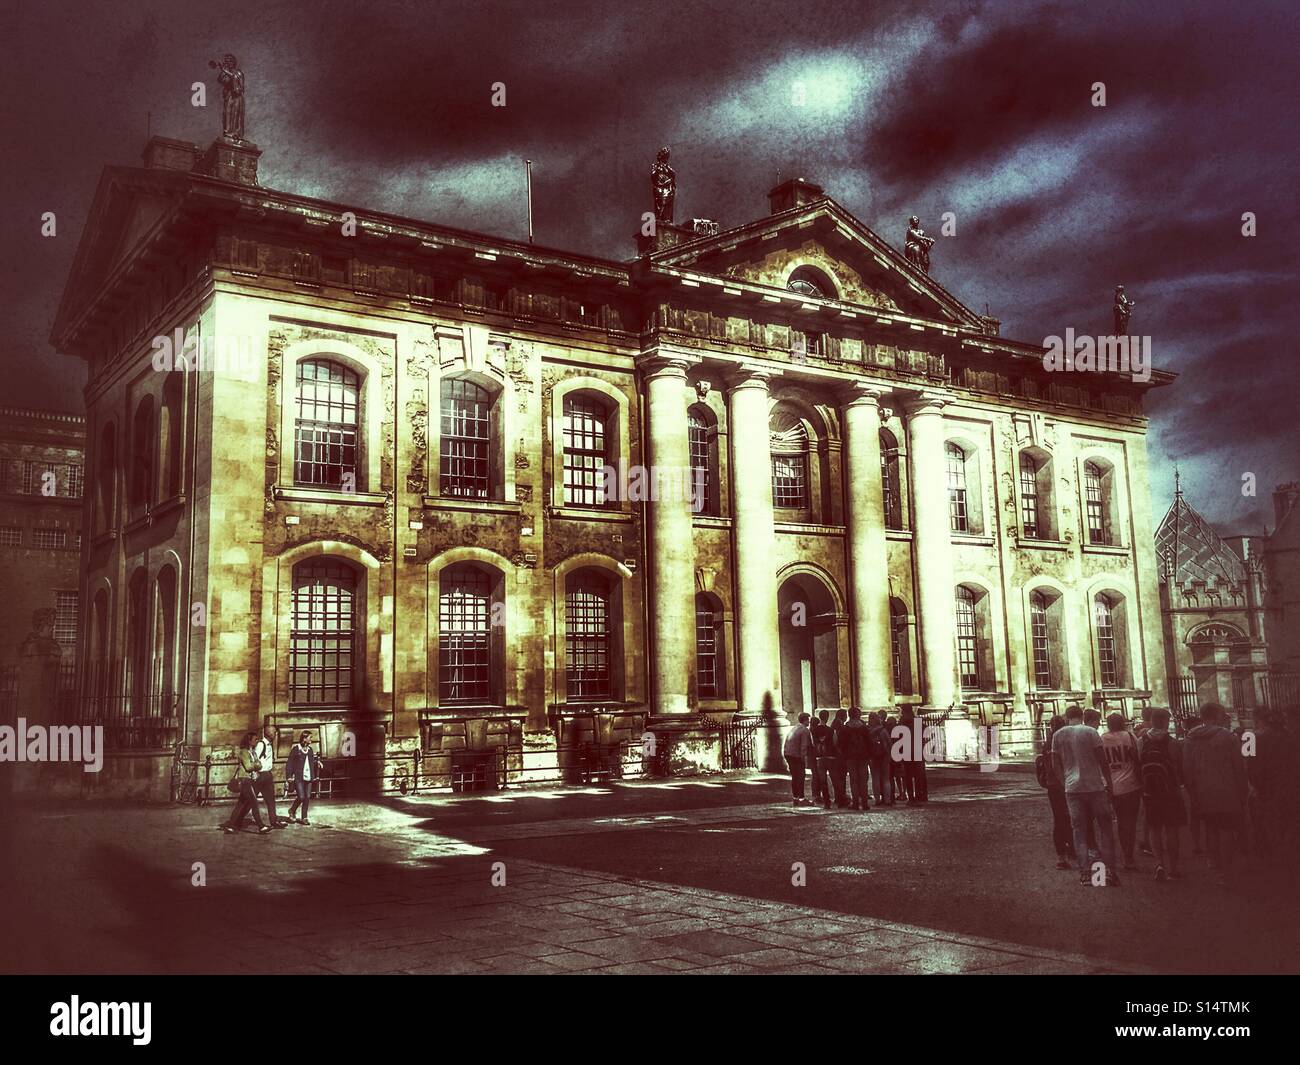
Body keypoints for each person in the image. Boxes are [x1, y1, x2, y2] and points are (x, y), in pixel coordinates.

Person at [1053, 705, 1121, 887]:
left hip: (1072, 788)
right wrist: (1110, 785)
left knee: (1079, 831)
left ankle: (1085, 874)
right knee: (1105, 829)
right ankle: (1109, 873)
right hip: (1095, 787)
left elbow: (1055, 764)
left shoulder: (1058, 735)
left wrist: (1064, 782)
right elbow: (1102, 761)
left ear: (1067, 717)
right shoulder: (1091, 732)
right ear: (1082, 716)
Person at [1183, 703, 1248, 885]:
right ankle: (1226, 871)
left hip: (1203, 791)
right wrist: (1243, 792)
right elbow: (1238, 767)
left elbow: (1187, 770)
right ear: (1217, 715)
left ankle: (1216, 864)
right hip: (1227, 790)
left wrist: (1192, 792)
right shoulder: (1228, 737)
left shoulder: (1191, 738)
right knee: (1226, 830)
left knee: (1211, 829)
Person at [1139, 707, 1186, 881]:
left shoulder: (1141, 741)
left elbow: (1139, 764)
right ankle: (1173, 868)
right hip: (1170, 792)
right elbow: (1177, 766)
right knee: (1171, 830)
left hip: (1150, 791)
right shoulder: (1172, 742)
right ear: (1166, 722)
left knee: (1154, 829)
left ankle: (1159, 863)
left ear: (1151, 721)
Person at [1101, 713, 1143, 869]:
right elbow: (1137, 759)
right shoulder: (1129, 737)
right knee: (1131, 822)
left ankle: (1123, 855)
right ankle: (1128, 856)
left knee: (1120, 821)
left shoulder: (1102, 739)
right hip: (1131, 784)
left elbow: (1101, 763)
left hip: (1113, 786)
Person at [1042, 715, 1076, 869]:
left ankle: (1061, 855)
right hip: (1066, 783)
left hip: (1052, 786)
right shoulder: (1065, 741)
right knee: (1071, 817)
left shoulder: (1047, 742)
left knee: (1059, 819)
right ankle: (1071, 849)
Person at [222, 732, 270, 834]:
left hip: (250, 779)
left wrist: (257, 764)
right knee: (254, 803)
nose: (257, 741)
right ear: (249, 741)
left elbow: (259, 765)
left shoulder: (253, 752)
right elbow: (248, 767)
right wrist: (256, 765)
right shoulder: (244, 752)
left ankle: (231, 826)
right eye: (255, 739)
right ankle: (261, 826)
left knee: (240, 804)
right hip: (245, 780)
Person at [252, 723, 286, 828]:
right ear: (269, 733)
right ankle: (237, 821)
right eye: (275, 732)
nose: (276, 734)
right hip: (260, 775)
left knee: (271, 800)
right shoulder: (261, 744)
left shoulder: (269, 745)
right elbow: (254, 759)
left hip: (267, 775)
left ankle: (274, 821)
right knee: (250, 800)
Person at [286, 730, 323, 825]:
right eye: (310, 737)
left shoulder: (310, 750)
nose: (311, 739)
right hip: (299, 777)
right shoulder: (296, 749)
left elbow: (311, 761)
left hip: (309, 777)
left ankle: (304, 817)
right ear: (304, 738)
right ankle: (292, 810)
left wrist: (317, 763)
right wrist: (289, 776)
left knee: (307, 797)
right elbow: (289, 763)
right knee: (301, 797)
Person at [839, 708, 872, 811]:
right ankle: (865, 803)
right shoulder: (864, 728)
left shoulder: (845, 728)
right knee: (863, 780)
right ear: (859, 715)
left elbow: (841, 743)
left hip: (850, 757)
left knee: (853, 780)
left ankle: (856, 803)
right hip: (863, 757)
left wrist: (844, 754)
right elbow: (869, 742)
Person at [783, 713, 816, 806]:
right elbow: (804, 746)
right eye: (808, 720)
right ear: (805, 720)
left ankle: (795, 798)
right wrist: (804, 758)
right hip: (797, 755)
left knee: (795, 777)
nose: (809, 722)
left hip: (788, 754)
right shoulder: (805, 730)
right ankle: (801, 798)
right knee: (801, 776)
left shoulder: (794, 728)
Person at [1135, 707, 1155, 856]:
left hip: (1143, 774)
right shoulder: (1149, 733)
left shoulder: (1138, 731)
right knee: (1150, 811)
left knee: (1145, 809)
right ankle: (1148, 840)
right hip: (1151, 775)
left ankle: (1144, 838)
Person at [811, 710, 841, 809]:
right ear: (827, 717)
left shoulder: (814, 730)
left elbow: (812, 744)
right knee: (835, 779)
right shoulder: (831, 730)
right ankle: (839, 800)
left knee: (823, 781)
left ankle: (826, 802)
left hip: (819, 758)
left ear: (819, 717)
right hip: (831, 757)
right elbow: (835, 743)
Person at [899, 706, 928, 803]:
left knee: (908, 776)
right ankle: (920, 795)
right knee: (919, 776)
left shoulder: (902, 724)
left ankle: (911, 797)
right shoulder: (918, 723)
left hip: (907, 753)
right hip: (918, 752)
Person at [868, 712, 893, 806]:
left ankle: (877, 799)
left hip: (873, 757)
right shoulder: (883, 730)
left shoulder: (868, 731)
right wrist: (889, 755)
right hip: (884, 756)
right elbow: (889, 743)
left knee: (875, 778)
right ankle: (887, 800)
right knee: (886, 779)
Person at [830, 710, 850, 808]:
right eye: (845, 715)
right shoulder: (840, 726)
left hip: (835, 756)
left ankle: (839, 796)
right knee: (841, 777)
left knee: (837, 778)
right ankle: (841, 797)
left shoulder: (833, 725)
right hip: (840, 756)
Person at [886, 715, 906, 802]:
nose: (890, 725)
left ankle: (903, 793)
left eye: (891, 723)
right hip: (895, 756)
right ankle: (901, 793)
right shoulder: (891, 731)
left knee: (901, 776)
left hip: (899, 756)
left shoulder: (898, 732)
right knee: (897, 776)